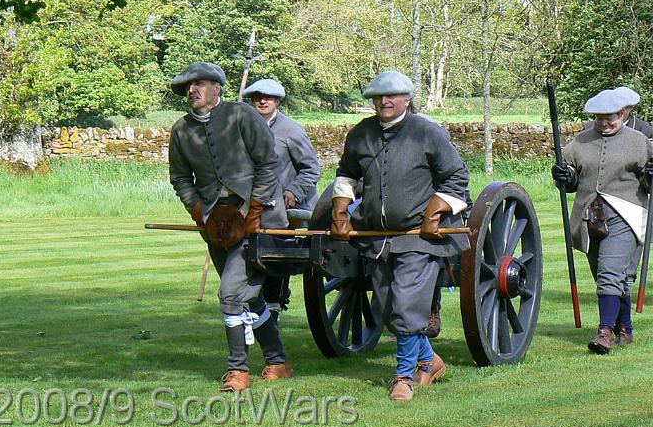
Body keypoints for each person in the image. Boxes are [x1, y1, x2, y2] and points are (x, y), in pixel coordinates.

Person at [331, 70, 470, 401]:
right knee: (391, 308)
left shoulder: (428, 133)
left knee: (406, 304)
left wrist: (434, 212)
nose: (384, 101)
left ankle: (403, 377)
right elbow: (347, 175)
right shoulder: (360, 135)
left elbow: (456, 177)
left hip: (418, 238)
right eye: (379, 97)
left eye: (392, 96)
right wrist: (340, 210)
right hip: (376, 239)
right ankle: (429, 361)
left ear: (407, 99)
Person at [168, 62, 293, 391]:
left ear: (217, 89)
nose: (192, 91)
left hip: (260, 222)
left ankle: (238, 370)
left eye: (199, 84)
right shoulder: (181, 130)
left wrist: (255, 210)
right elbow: (180, 178)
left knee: (230, 294)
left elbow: (269, 162)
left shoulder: (242, 115)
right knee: (249, 298)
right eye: (187, 87)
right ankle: (278, 363)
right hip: (216, 226)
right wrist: (198, 211)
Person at [552, 89, 653, 354]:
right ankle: (625, 328)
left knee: (609, 273)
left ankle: (604, 332)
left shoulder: (640, 141)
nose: (605, 123)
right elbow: (571, 178)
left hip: (626, 215)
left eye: (610, 118)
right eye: (600, 119)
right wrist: (564, 175)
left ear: (622, 114)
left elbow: (649, 181)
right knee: (608, 275)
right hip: (590, 218)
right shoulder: (580, 141)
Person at [243, 78, 321, 323]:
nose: (262, 101)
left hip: (285, 210)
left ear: (277, 101)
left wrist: (294, 192)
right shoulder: (242, 129)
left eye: (267, 97)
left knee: (272, 255)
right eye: (257, 97)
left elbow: (311, 169)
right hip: (251, 206)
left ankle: (273, 305)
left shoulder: (291, 130)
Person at [583, 86, 653, 140]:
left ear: (631, 107)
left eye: (623, 108)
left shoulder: (644, 130)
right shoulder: (588, 128)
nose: (604, 123)